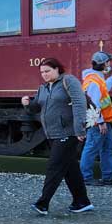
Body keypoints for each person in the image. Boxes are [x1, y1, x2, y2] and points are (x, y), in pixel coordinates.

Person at [21, 58, 93, 215]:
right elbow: (36, 108)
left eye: (47, 71)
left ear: (57, 69)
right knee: (70, 169)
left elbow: (80, 104)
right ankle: (82, 202)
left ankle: (43, 203)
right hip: (52, 134)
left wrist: (79, 129)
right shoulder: (44, 88)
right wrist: (27, 104)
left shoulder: (69, 81)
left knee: (54, 167)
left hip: (68, 133)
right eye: (41, 72)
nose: (44, 75)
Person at [79, 51, 112, 186]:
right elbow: (93, 103)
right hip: (98, 123)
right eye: (108, 62)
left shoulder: (96, 78)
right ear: (104, 64)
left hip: (104, 121)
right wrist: (100, 122)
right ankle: (85, 178)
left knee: (106, 149)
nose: (110, 64)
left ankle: (108, 177)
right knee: (91, 149)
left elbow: (105, 87)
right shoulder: (93, 81)